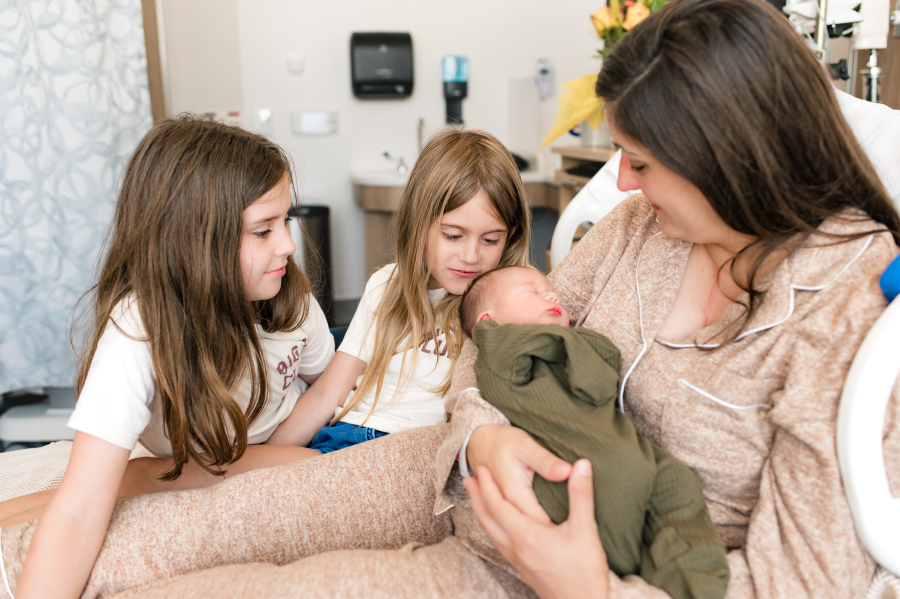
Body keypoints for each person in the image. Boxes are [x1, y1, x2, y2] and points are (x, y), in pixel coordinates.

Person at [1, 0, 898, 597]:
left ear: (732, 157)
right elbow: (491, 330)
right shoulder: (638, 231)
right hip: (452, 465)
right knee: (165, 534)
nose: (620, 181)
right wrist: (483, 428)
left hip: (560, 563)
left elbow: (802, 580)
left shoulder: (841, 307)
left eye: (646, 161)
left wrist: (588, 584)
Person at [0, 116, 338, 598]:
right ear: (194, 242)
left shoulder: (288, 297)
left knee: (143, 478)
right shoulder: (139, 328)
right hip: (200, 461)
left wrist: (289, 450)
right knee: (124, 482)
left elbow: (334, 385)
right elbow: (77, 511)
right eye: (263, 230)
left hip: (275, 444)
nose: (288, 245)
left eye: (285, 221)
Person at [459, 265, 729, 599]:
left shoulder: (569, 345)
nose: (552, 295)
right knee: (617, 541)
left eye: (549, 290)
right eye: (532, 292)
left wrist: (571, 341)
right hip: (575, 470)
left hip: (632, 454)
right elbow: (593, 386)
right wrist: (568, 340)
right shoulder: (498, 354)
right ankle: (627, 569)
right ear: (488, 322)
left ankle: (697, 585)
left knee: (678, 483)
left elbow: (603, 376)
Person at [259, 127, 530, 456]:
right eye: (453, 236)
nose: (472, 256)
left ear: (510, 237)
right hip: (347, 435)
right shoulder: (387, 285)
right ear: (420, 224)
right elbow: (327, 393)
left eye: (490, 240)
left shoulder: (514, 302)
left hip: (418, 448)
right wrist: (261, 462)